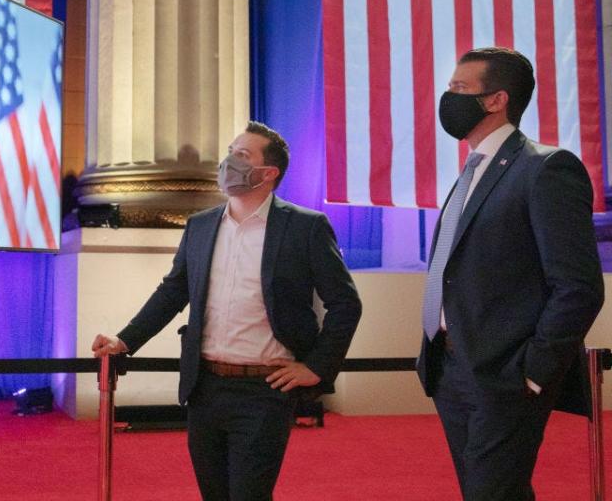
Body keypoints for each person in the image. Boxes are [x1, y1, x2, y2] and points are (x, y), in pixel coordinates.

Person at [92, 121, 361, 501]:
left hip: (265, 389)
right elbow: (173, 292)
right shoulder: (201, 226)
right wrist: (125, 340)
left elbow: (345, 303)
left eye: (242, 155)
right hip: (206, 387)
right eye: (230, 151)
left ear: (269, 173)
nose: (228, 161)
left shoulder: (306, 227)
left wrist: (317, 366)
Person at [419, 47, 604, 500]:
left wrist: (534, 370)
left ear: (496, 99)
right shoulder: (472, 171)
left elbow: (578, 287)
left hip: (504, 373)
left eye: (460, 88)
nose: (448, 97)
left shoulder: (545, 168)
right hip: (450, 368)